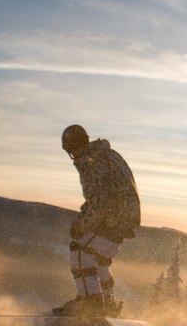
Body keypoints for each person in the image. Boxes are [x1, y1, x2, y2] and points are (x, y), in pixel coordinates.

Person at [53, 125, 141, 316]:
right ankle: (107, 302)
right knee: (98, 258)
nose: (73, 155)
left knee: (80, 249)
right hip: (124, 216)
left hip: (114, 216)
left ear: (73, 147)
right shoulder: (106, 154)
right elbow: (107, 192)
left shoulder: (90, 161)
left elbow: (99, 200)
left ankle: (90, 302)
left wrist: (81, 224)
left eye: (71, 150)